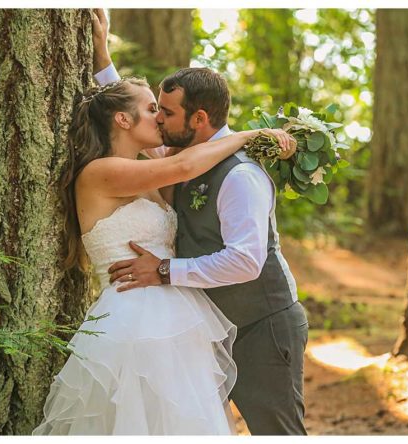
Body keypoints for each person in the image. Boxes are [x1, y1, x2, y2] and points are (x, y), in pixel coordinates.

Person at [33, 72, 296, 434]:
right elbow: (183, 165)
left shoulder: (147, 171)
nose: (159, 117)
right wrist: (248, 136)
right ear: (124, 120)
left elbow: (172, 156)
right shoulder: (101, 171)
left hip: (180, 319)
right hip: (133, 318)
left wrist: (104, 59)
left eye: (163, 111)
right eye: (153, 109)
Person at [92, 9, 310, 435]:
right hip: (207, 330)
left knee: (277, 432)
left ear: (199, 119)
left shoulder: (241, 176)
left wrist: (163, 270)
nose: (158, 120)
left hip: (260, 326)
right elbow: (130, 124)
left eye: (167, 113)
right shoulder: (177, 157)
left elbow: (245, 262)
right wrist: (102, 56)